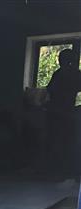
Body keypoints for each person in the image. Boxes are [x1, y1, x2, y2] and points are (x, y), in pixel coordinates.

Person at [46, 48, 81, 176]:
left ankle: (63, 171)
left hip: (64, 113)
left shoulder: (66, 74)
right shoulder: (62, 74)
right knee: (62, 142)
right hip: (60, 113)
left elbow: (50, 90)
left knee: (64, 142)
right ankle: (61, 171)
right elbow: (50, 91)